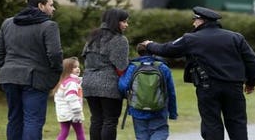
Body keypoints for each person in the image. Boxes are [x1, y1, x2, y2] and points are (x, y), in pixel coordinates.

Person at [141, 6, 255, 140]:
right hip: (234, 87)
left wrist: (150, 45)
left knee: (211, 124)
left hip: (208, 88)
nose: (193, 23)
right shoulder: (236, 37)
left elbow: (167, 49)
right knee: (237, 123)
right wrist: (251, 83)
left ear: (202, 21)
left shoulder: (191, 38)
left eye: (194, 20)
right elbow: (252, 60)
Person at [0, 0, 63, 140]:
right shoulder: (49, 26)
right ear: (41, 6)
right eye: (51, 5)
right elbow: (55, 54)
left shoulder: (8, 23)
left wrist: (7, 68)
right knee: (33, 120)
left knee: (14, 118)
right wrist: (56, 71)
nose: (53, 8)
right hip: (35, 79)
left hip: (10, 77)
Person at [81, 8, 130, 140]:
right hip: (108, 86)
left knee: (96, 119)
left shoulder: (93, 36)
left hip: (89, 83)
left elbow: (86, 59)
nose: (126, 25)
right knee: (110, 121)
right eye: (124, 21)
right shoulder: (119, 40)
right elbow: (122, 66)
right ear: (116, 22)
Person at [118, 43, 178, 140]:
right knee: (159, 132)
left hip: (137, 109)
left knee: (141, 136)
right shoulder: (163, 67)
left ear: (139, 53)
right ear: (154, 52)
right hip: (159, 110)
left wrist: (130, 97)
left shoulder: (133, 67)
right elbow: (171, 92)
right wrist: (173, 113)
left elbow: (123, 86)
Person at [52, 57, 86, 140]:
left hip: (63, 113)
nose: (78, 69)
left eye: (78, 67)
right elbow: (71, 97)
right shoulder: (71, 83)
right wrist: (77, 111)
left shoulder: (62, 82)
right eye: (74, 67)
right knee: (80, 132)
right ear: (67, 69)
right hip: (73, 113)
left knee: (64, 132)